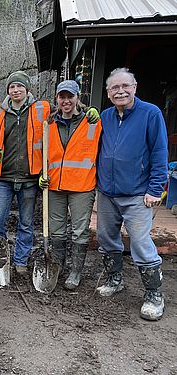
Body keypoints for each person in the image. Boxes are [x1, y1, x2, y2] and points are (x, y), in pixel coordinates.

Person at [96, 67, 168, 321]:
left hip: (138, 193)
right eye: (115, 87)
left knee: (139, 242)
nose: (120, 91)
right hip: (107, 192)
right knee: (106, 238)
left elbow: (160, 152)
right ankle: (115, 279)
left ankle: (153, 294)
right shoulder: (105, 116)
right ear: (107, 93)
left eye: (125, 86)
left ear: (134, 88)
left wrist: (155, 188)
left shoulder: (150, 114)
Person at [0, 71, 49, 276]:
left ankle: (20, 260)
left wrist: (85, 109)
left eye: (19, 86)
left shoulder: (42, 109)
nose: (16, 90)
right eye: (12, 87)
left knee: (26, 223)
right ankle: (2, 256)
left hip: (30, 177)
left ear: (27, 89)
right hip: (3, 176)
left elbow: (66, 113)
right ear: (8, 90)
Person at [40, 80, 102, 290]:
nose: (66, 101)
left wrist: (94, 110)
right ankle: (57, 267)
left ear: (77, 98)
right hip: (55, 184)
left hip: (82, 186)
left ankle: (75, 272)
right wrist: (42, 174)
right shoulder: (49, 123)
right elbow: (45, 155)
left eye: (70, 96)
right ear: (57, 99)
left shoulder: (92, 121)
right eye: (62, 97)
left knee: (79, 231)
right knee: (56, 230)